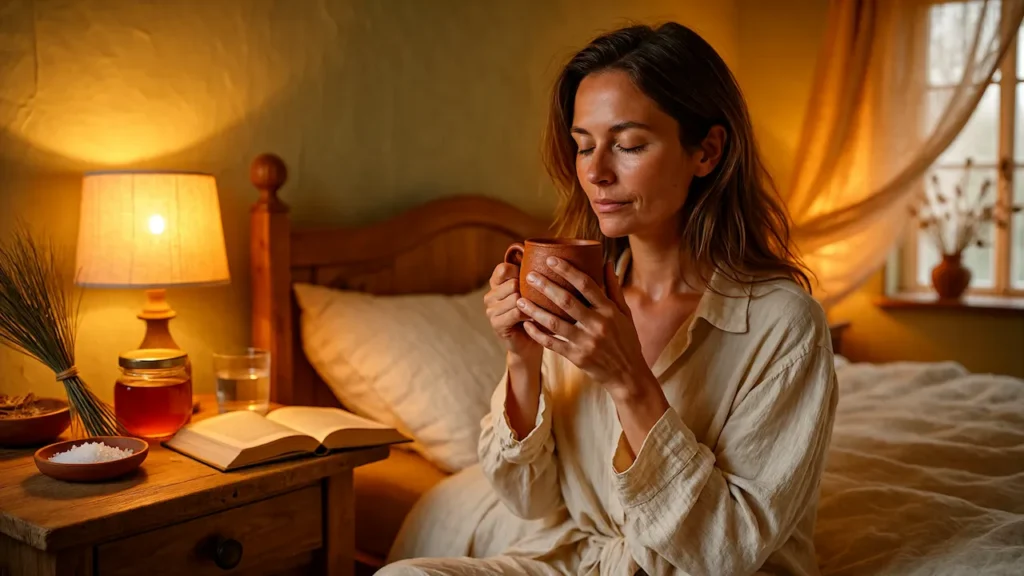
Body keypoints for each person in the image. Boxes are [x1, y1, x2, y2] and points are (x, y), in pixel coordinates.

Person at [382, 21, 838, 576]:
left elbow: (727, 550)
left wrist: (628, 379)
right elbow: (531, 501)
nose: (595, 173)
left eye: (628, 145)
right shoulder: (581, 294)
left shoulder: (784, 325)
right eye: (582, 147)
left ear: (707, 151)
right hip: (579, 563)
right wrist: (522, 358)